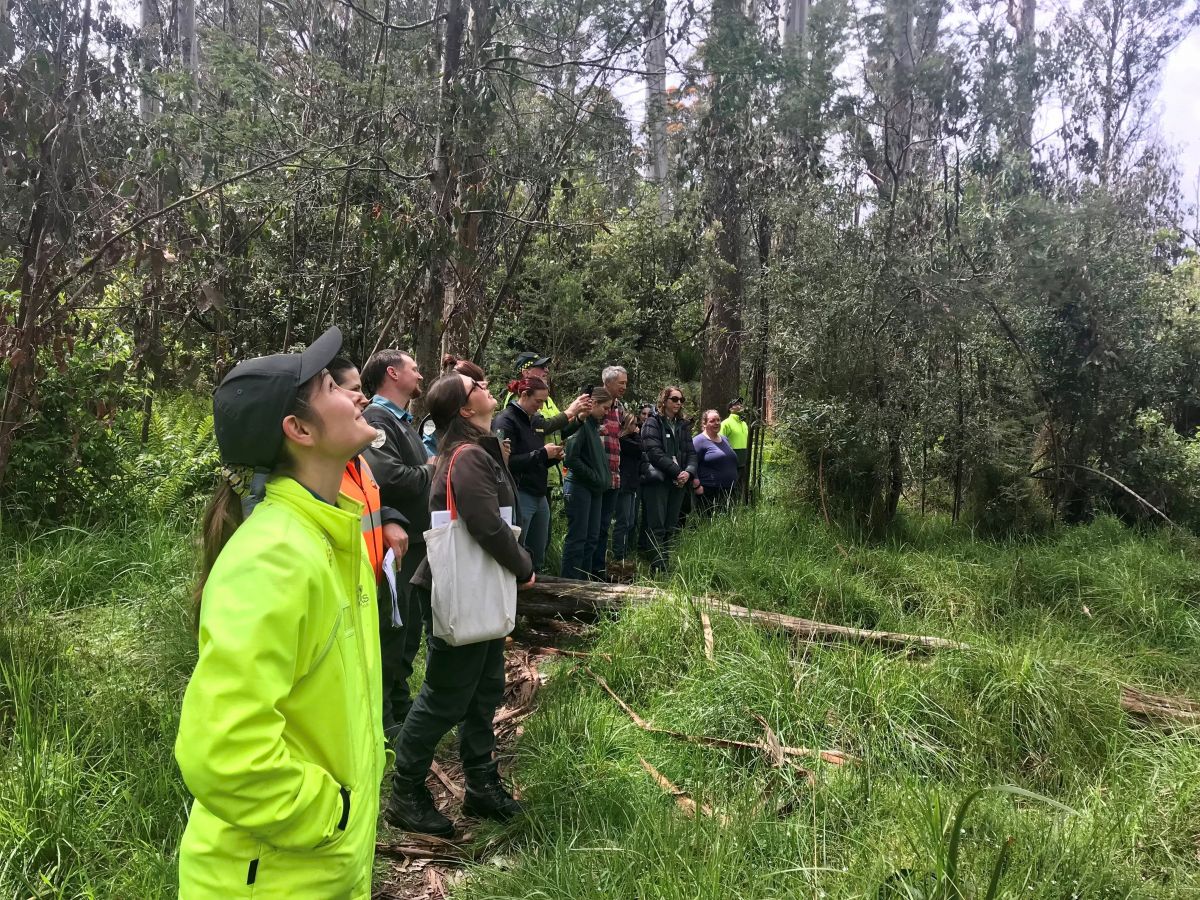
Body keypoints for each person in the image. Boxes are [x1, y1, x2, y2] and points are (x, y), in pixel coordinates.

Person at [176, 327, 386, 899]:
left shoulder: (327, 534)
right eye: (329, 386)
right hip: (270, 878)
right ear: (298, 430)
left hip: (312, 871)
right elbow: (224, 751)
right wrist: (331, 814)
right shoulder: (275, 556)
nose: (354, 392)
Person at [386, 370, 535, 838]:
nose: (489, 390)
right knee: (443, 697)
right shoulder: (467, 456)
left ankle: (480, 784)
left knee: (485, 687)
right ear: (465, 411)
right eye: (478, 389)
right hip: (461, 590)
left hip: (478, 590)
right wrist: (524, 565)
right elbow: (485, 524)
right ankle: (405, 794)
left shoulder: (475, 448)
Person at [361, 349, 436, 741]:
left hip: (415, 541)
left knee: (407, 632)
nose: (420, 374)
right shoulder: (376, 419)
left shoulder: (401, 421)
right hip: (395, 545)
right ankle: (385, 717)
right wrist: (431, 468)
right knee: (393, 629)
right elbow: (387, 476)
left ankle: (401, 704)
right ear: (392, 373)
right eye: (414, 368)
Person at [492, 372, 591, 571]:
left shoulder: (535, 420)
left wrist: (551, 457)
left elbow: (537, 457)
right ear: (524, 395)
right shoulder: (506, 421)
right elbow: (505, 463)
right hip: (520, 493)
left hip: (539, 494)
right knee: (518, 551)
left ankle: (537, 588)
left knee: (538, 551)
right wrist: (542, 454)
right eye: (538, 401)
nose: (541, 406)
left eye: (544, 402)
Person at [328, 357, 410, 592]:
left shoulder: (359, 463)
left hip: (371, 593)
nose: (364, 400)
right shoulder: (316, 479)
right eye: (354, 390)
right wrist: (430, 468)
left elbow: (362, 506)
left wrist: (386, 516)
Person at [640, 386, 702, 573]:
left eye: (681, 400)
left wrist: (688, 473)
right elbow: (654, 453)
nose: (678, 403)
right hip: (659, 481)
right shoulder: (652, 423)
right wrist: (677, 472)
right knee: (656, 526)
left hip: (679, 482)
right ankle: (657, 568)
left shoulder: (683, 426)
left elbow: (691, 453)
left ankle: (665, 565)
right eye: (674, 399)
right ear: (664, 400)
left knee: (670, 527)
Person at [560, 386, 613, 580]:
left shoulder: (593, 426)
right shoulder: (580, 424)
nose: (607, 413)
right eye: (605, 408)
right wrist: (595, 477)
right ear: (594, 404)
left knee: (592, 538)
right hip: (579, 487)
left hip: (594, 489)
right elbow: (571, 458)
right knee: (578, 539)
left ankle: (585, 582)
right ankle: (569, 583)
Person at [590, 365, 628, 579]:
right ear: (608, 382)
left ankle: (598, 571)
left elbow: (617, 437)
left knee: (604, 526)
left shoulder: (620, 407)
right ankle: (584, 571)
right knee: (592, 528)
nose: (624, 387)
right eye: (621, 383)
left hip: (614, 475)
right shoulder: (592, 401)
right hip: (595, 475)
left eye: (625, 383)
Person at [610, 411, 643, 574]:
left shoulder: (629, 440)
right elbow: (640, 448)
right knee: (623, 522)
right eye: (633, 424)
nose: (636, 428)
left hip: (631, 485)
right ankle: (618, 556)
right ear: (626, 425)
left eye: (637, 424)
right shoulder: (623, 441)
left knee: (631, 521)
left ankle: (626, 553)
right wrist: (637, 436)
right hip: (623, 485)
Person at [693, 409, 739, 515]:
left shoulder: (724, 439)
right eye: (712, 421)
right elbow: (692, 463)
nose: (717, 423)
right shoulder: (698, 441)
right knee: (707, 526)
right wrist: (696, 486)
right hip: (709, 491)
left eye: (718, 420)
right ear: (704, 424)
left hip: (729, 491)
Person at [720, 398, 750, 500]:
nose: (740, 405)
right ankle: (727, 510)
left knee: (739, 488)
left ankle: (738, 510)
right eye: (736, 404)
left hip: (743, 461)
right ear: (730, 408)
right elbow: (719, 442)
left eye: (741, 404)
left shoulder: (744, 424)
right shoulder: (725, 423)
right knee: (730, 488)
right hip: (731, 462)